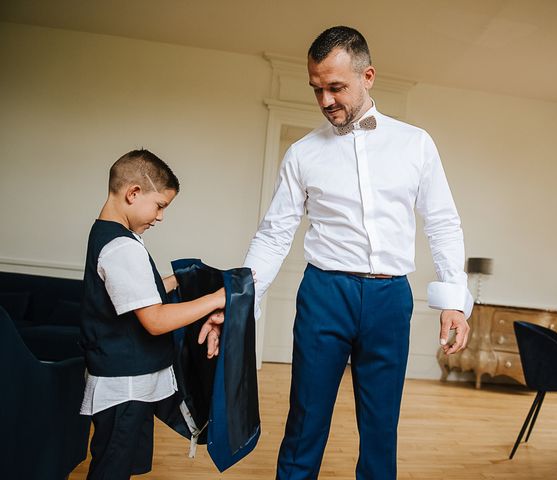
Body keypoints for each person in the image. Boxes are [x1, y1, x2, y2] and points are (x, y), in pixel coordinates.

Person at [243, 26, 473, 479]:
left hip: (390, 298)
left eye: (336, 87)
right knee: (305, 421)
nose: (326, 100)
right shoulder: (302, 154)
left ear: (367, 76)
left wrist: (454, 302)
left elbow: (443, 221)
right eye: (317, 89)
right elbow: (273, 235)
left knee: (381, 427)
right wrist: (238, 300)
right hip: (325, 295)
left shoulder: (416, 144)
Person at [79, 149, 225, 479]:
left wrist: (176, 280)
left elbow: (131, 291)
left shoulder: (109, 234)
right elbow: (155, 320)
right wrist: (218, 298)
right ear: (133, 193)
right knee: (111, 470)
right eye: (160, 205)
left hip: (128, 380)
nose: (160, 217)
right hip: (125, 386)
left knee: (120, 466)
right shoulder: (122, 246)